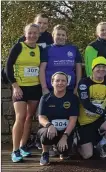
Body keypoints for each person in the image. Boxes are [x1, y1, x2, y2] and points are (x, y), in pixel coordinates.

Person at [6, 23, 43, 162]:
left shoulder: (40, 49)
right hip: (20, 87)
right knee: (20, 117)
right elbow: (8, 67)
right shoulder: (18, 46)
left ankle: (23, 146)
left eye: (35, 33)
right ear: (25, 33)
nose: (32, 35)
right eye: (30, 33)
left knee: (29, 117)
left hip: (35, 87)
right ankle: (15, 150)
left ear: (39, 34)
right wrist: (15, 86)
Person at [76, 57, 106, 159]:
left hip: (99, 120)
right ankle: (77, 142)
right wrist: (104, 112)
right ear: (93, 69)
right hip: (84, 122)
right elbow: (85, 103)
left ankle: (101, 145)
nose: (101, 69)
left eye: (104, 67)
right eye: (98, 67)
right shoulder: (84, 82)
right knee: (87, 155)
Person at [36, 72, 79, 165]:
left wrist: (65, 136)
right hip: (50, 130)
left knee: (65, 153)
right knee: (46, 133)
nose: (60, 83)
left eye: (63, 81)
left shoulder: (72, 98)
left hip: (65, 131)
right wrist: (50, 125)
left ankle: (59, 149)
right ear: (52, 83)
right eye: (57, 80)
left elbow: (73, 120)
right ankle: (45, 153)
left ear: (67, 83)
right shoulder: (45, 98)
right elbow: (41, 117)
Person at [39, 25, 82, 95]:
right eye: (58, 34)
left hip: (70, 88)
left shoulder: (73, 49)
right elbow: (42, 69)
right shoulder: (46, 49)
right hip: (51, 89)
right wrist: (44, 88)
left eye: (63, 35)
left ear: (66, 37)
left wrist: (77, 86)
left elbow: (78, 69)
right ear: (53, 35)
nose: (61, 37)